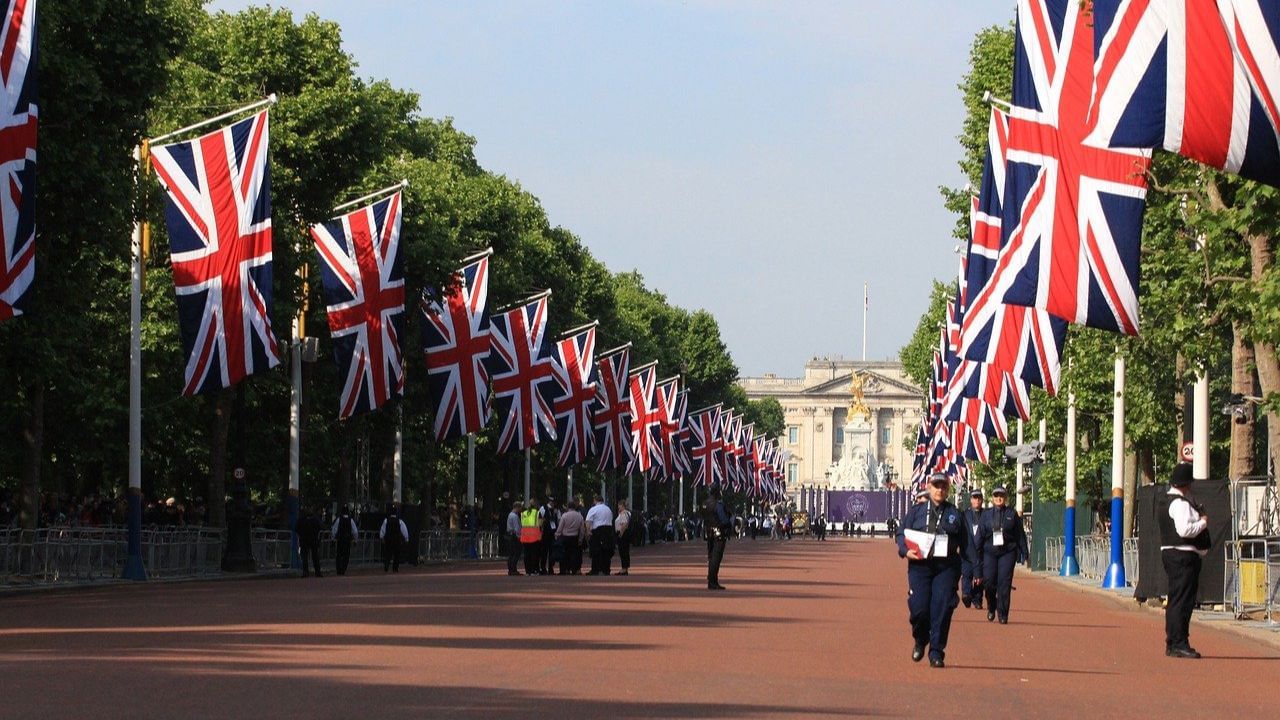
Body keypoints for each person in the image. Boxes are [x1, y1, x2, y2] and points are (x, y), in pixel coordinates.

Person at [895, 473, 968, 668]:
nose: (939, 490)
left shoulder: (955, 514)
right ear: (929, 487)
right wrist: (904, 550)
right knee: (919, 609)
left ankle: (936, 651)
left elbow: (967, 546)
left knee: (942, 608)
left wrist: (973, 574)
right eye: (936, 486)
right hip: (920, 566)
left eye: (943, 486)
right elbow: (901, 533)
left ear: (948, 489)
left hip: (946, 567)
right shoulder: (916, 512)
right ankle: (920, 639)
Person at [1160, 463, 1210, 659]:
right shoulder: (1180, 504)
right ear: (1186, 483)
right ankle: (1179, 642)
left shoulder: (1165, 502)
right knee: (1183, 601)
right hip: (1183, 556)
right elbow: (1184, 530)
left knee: (1175, 599)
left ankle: (1173, 641)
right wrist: (1203, 522)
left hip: (1171, 554)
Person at [977, 486, 1028, 624]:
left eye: (1001, 496)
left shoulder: (1012, 514)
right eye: (996, 496)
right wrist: (976, 552)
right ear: (992, 498)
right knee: (989, 582)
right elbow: (980, 535)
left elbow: (1019, 534)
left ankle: (1003, 613)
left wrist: (1025, 552)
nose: (999, 498)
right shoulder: (986, 515)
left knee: (1004, 584)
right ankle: (991, 606)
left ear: (1005, 498)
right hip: (990, 552)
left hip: (1007, 552)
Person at [701, 486, 732, 590]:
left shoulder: (704, 504)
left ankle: (711, 580)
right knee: (716, 558)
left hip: (708, 532)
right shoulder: (717, 505)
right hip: (718, 533)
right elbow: (724, 520)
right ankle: (713, 581)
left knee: (711, 557)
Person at [960, 489, 984, 610]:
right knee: (967, 573)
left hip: (981, 551)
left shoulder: (986, 514)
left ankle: (977, 599)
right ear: (971, 500)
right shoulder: (964, 515)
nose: (977, 500)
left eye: (979, 498)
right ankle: (966, 594)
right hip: (967, 550)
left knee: (980, 576)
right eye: (975, 498)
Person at [585, 495, 615, 575]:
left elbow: (588, 521)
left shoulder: (593, 509)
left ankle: (595, 569)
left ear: (595, 501)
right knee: (606, 550)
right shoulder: (608, 509)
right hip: (608, 530)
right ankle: (606, 569)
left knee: (596, 550)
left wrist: (588, 531)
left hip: (598, 530)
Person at [556, 500, 585, 575]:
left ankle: (565, 569)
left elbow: (560, 527)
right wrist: (580, 539)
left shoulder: (564, 515)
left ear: (568, 507)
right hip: (574, 537)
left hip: (565, 537)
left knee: (564, 554)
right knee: (574, 554)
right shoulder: (579, 516)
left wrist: (557, 534)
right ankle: (574, 569)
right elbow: (582, 529)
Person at [379, 505, 409, 573]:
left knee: (388, 553)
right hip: (396, 540)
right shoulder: (400, 521)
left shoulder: (386, 520)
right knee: (397, 554)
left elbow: (382, 530)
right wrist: (406, 539)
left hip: (388, 539)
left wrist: (382, 538)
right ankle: (395, 568)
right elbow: (404, 531)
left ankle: (386, 565)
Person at [296, 505, 322, 578]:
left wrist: (301, 535)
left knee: (305, 556)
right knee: (315, 556)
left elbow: (297, 528)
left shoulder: (301, 519)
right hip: (313, 539)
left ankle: (306, 572)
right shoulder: (315, 519)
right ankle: (317, 572)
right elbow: (320, 527)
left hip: (304, 539)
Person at [331, 505, 358, 576]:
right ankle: (343, 569)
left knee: (339, 555)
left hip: (340, 539)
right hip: (347, 539)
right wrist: (355, 540)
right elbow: (355, 531)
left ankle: (339, 569)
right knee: (346, 555)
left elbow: (334, 530)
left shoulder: (339, 519)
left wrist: (333, 539)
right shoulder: (351, 520)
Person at [539, 496, 561, 575]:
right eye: (552, 502)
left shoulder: (557, 510)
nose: (553, 504)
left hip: (553, 533)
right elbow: (540, 521)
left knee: (552, 552)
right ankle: (543, 568)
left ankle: (551, 568)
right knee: (544, 552)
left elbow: (559, 520)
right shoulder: (543, 508)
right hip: (545, 533)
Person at [519, 499, 542, 575]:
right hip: (534, 536)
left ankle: (527, 571)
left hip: (525, 536)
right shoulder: (537, 513)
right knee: (534, 554)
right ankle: (533, 570)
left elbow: (521, 524)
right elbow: (541, 524)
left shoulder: (523, 513)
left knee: (526, 554)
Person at [615, 500, 632, 575]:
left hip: (622, 533)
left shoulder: (623, 513)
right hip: (626, 534)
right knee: (625, 550)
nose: (618, 507)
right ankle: (625, 567)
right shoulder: (628, 513)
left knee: (622, 551)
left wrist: (621, 533)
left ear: (622, 505)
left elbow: (624, 524)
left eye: (619, 505)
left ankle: (624, 568)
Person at [505, 501, 522, 575]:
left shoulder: (510, 515)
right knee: (516, 553)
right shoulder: (515, 516)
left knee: (511, 553)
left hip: (510, 534)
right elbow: (517, 528)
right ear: (517, 507)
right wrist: (519, 536)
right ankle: (513, 569)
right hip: (514, 535)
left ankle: (510, 569)